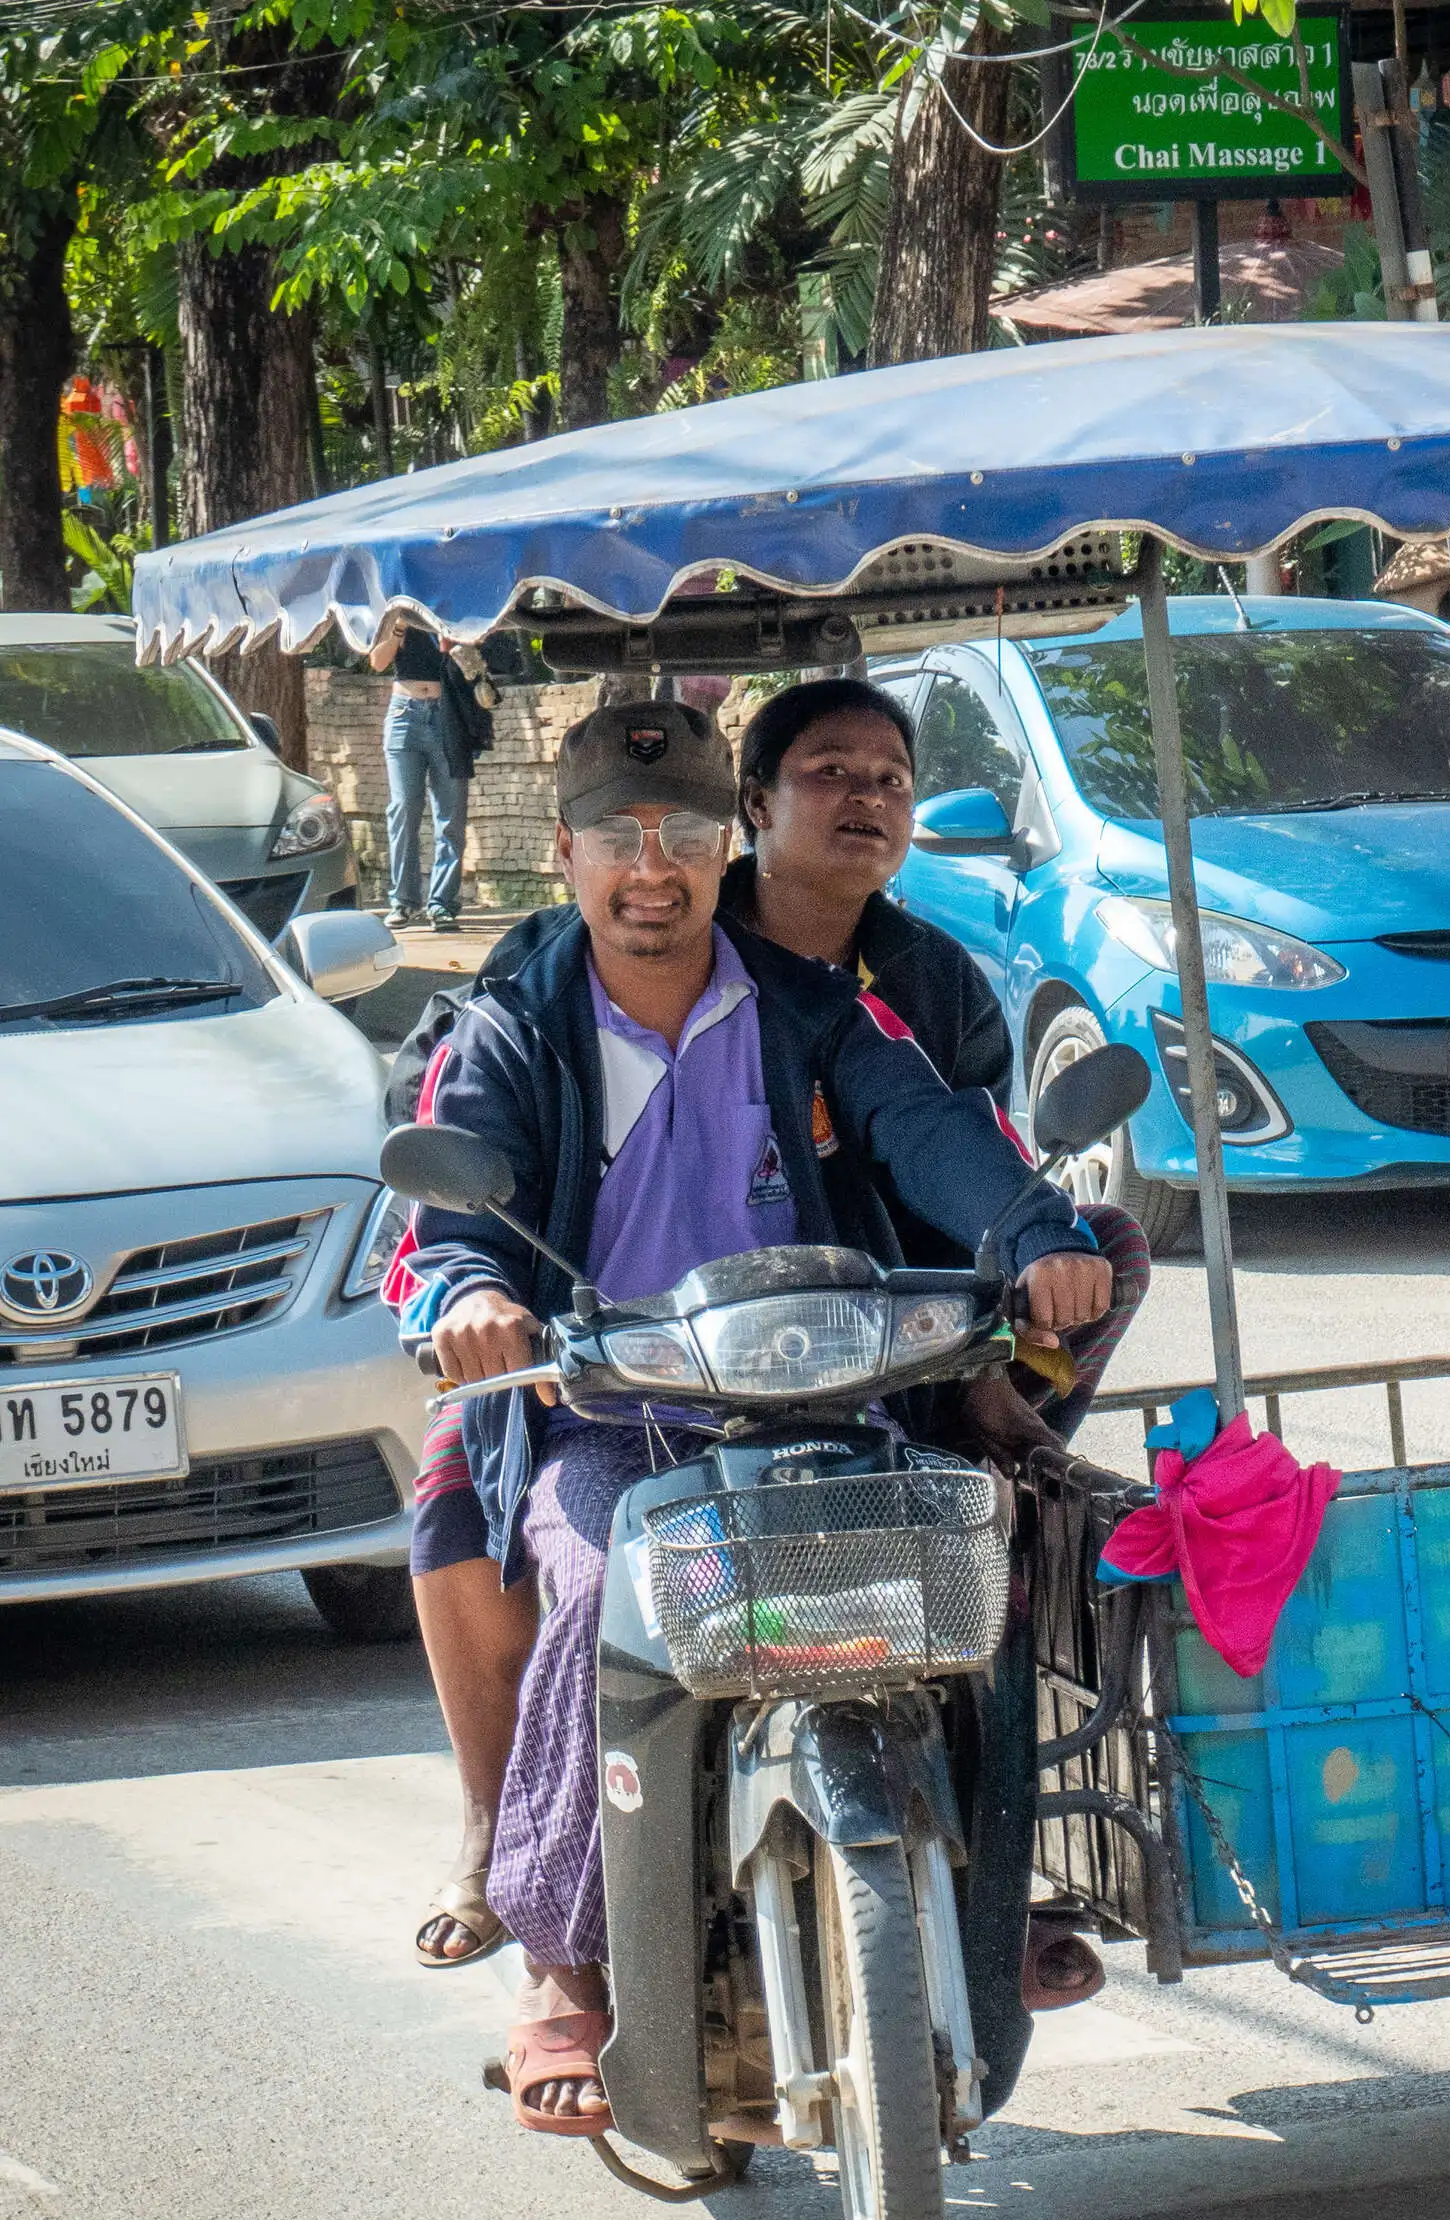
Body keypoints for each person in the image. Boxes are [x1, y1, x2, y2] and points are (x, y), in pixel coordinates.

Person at [408, 698, 1113, 2133]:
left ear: (728, 847)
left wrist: (1034, 1230)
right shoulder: (509, 1025)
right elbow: (442, 1219)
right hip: (618, 1415)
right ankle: (561, 1962)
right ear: (568, 854)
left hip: (820, 1396)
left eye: (680, 835)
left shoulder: (807, 1003)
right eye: (619, 838)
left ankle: (989, 1894)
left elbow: (929, 1126)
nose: (651, 868)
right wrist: (474, 1294)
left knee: (971, 1562)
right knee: (601, 1582)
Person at [719, 674, 1153, 1457]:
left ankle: (996, 1461)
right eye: (831, 773)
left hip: (910, 1306)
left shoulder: (940, 979)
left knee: (1107, 1244)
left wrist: (1031, 1264)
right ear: (757, 804)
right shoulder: (692, 957)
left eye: (891, 780)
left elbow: (960, 1156)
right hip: (736, 1310)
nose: (868, 798)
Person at [369, 609, 484, 929]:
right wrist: (399, 629)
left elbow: (477, 657)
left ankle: (442, 903)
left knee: (451, 814)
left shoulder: (453, 609)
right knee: (404, 807)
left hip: (448, 714)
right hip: (404, 713)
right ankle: (403, 901)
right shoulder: (397, 611)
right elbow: (378, 662)